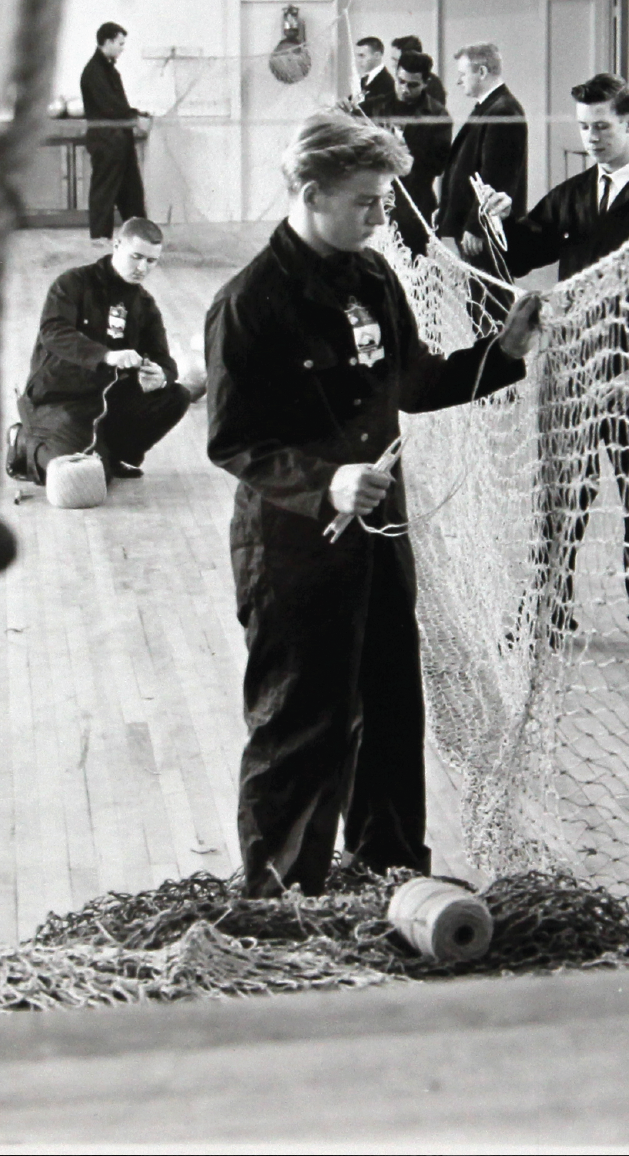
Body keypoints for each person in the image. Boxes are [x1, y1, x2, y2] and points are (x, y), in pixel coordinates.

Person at [203, 111, 542, 897]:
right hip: (294, 549)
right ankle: (282, 903)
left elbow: (413, 379)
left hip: (380, 539)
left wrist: (502, 354)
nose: (382, 216)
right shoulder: (248, 303)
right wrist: (327, 482)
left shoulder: (374, 277)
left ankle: (394, 882)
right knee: (303, 727)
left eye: (385, 201)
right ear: (312, 192)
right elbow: (234, 442)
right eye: (366, 202)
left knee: (392, 712)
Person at [475, 74, 629, 634]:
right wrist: (500, 221)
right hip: (572, 374)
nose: (592, 137)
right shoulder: (573, 196)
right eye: (584, 127)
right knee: (559, 500)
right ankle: (550, 611)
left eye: (602, 126)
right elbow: (526, 251)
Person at [15, 217, 205, 482]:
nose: (142, 268)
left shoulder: (145, 305)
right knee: (79, 477)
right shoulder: (73, 283)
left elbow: (164, 360)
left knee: (176, 396)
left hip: (104, 400)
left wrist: (160, 375)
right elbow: (53, 331)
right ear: (117, 245)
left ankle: (112, 455)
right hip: (57, 398)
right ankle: (23, 443)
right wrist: (106, 355)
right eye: (136, 256)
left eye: (151, 261)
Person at [433, 43, 528, 276]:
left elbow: (496, 176)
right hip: (475, 225)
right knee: (479, 298)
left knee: (489, 302)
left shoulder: (502, 110)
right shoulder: (491, 107)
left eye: (463, 74)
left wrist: (477, 226)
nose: (459, 81)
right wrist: (446, 208)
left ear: (482, 72)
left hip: (484, 231)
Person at [79, 22, 151, 240]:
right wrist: (134, 118)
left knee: (132, 193)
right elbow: (109, 106)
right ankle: (100, 241)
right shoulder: (94, 72)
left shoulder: (109, 71)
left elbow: (118, 105)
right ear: (108, 42)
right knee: (105, 194)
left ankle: (140, 238)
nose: (122, 48)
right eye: (120, 43)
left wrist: (137, 113)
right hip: (106, 143)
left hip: (120, 142)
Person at [386, 45, 450, 255]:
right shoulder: (377, 107)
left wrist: (409, 155)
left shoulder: (438, 116)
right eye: (400, 82)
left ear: (426, 83)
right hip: (379, 203)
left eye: (412, 85)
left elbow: (439, 165)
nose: (404, 89)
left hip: (416, 207)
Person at [351, 35, 399, 119]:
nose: (358, 60)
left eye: (362, 56)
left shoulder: (386, 82)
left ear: (377, 56)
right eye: (357, 56)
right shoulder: (364, 80)